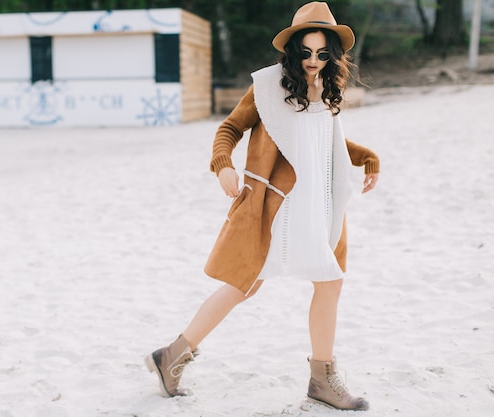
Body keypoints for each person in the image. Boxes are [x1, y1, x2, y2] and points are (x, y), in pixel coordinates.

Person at [145, 2, 379, 411]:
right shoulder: (269, 86)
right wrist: (223, 168)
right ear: (291, 51)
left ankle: (322, 378)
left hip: (321, 201)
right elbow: (230, 128)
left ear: (334, 55)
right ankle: (172, 355)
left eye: (323, 53)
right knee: (244, 283)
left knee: (330, 281)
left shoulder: (326, 88)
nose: (313, 61)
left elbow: (321, 140)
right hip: (277, 203)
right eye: (305, 52)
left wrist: (366, 158)